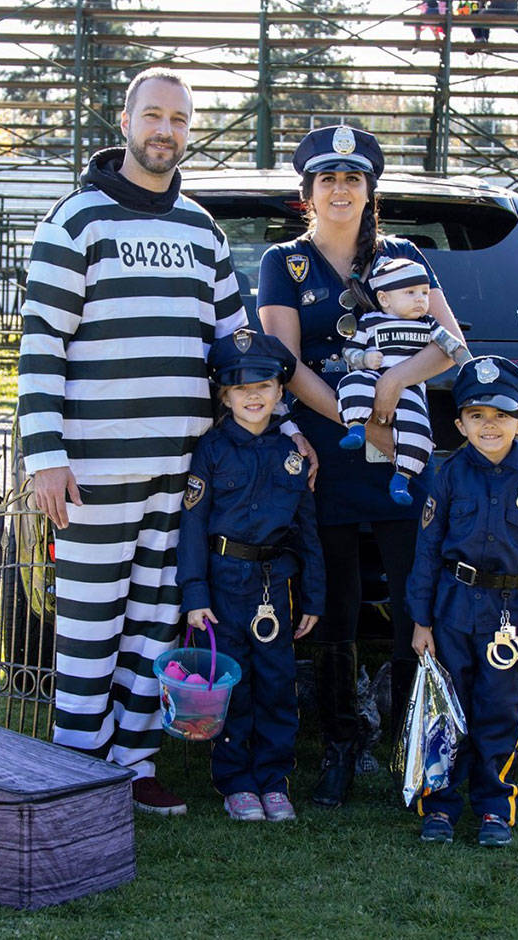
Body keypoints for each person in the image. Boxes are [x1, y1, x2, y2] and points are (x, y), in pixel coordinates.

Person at [18, 67, 311, 816]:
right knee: (90, 623)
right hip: (93, 472)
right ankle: (78, 768)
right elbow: (42, 344)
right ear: (123, 122)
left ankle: (135, 760)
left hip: (183, 476)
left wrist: (281, 427)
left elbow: (233, 346)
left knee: (155, 624)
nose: (165, 132)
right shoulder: (76, 221)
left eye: (179, 121)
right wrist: (44, 455)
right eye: (153, 116)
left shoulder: (202, 229)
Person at [257, 124, 465, 808]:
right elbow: (283, 364)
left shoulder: (401, 255)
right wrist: (352, 415)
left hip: (401, 450)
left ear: (369, 191)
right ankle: (342, 745)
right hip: (329, 456)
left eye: (353, 179)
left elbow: (451, 346)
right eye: (327, 180)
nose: (340, 190)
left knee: (414, 601)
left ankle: (415, 742)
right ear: (307, 194)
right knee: (336, 605)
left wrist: (390, 387)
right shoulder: (283, 263)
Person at [406, 356, 518, 847]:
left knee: (498, 710)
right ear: (459, 423)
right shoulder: (447, 476)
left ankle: (495, 807)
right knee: (447, 711)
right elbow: (427, 551)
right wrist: (421, 621)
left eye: (500, 416)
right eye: (476, 416)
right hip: (452, 611)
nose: (488, 426)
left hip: (508, 621)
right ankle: (441, 807)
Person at [176, 328, 325, 822]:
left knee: (277, 684)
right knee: (232, 685)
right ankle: (237, 781)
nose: (254, 395)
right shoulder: (211, 451)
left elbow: (307, 532)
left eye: (263, 385)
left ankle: (274, 779)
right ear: (224, 395)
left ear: (281, 391)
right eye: (241, 388)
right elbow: (193, 526)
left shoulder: (291, 454)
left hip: (275, 588)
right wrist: (194, 594)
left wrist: (313, 598)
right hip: (223, 586)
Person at [336, 256, 469, 506]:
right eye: (410, 292)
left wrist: (471, 367)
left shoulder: (429, 324)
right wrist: (364, 359)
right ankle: (356, 427)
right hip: (372, 375)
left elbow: (454, 347)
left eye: (424, 292)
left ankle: (402, 479)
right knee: (352, 383)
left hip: (410, 389)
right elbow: (349, 352)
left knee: (417, 430)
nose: (421, 299)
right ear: (385, 298)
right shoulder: (370, 321)